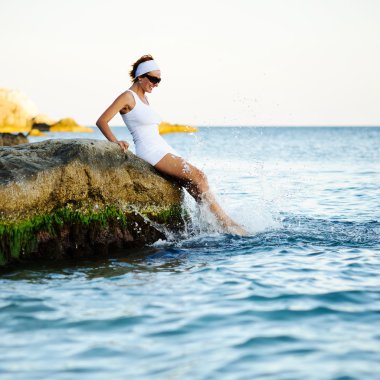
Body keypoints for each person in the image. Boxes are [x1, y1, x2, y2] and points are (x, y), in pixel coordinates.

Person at [96, 54, 247, 236]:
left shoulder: (144, 97)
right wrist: (115, 141)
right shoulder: (128, 97)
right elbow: (102, 120)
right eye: (153, 79)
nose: (156, 83)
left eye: (159, 80)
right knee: (199, 176)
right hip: (150, 151)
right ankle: (228, 225)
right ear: (140, 77)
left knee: (193, 182)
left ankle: (209, 224)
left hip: (162, 147)